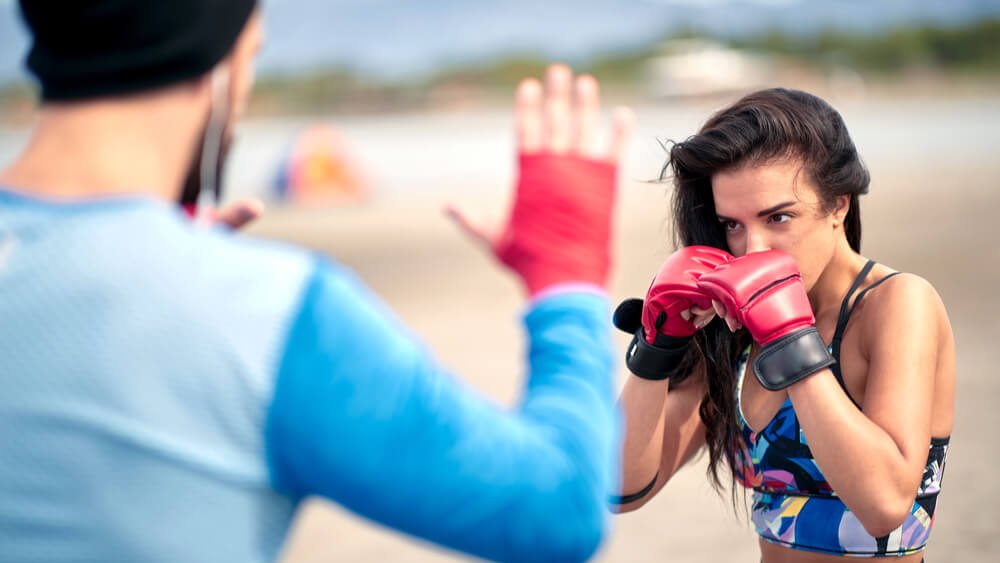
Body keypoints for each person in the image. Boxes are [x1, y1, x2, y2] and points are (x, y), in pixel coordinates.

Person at [0, 1, 635, 561]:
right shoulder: (270, 314)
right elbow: (557, 512)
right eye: (254, 55)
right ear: (220, 64)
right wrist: (566, 276)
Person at [611, 88, 954, 561]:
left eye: (778, 217)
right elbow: (622, 487)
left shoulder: (897, 303)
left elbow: (885, 504)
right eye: (732, 224)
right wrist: (657, 346)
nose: (752, 251)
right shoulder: (731, 323)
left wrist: (788, 335)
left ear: (839, 205)